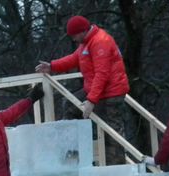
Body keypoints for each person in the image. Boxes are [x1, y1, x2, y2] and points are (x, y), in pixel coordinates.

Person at [35, 15, 130, 164]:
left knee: (111, 132)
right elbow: (74, 59)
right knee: (71, 107)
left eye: (74, 35)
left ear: (82, 31)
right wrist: (52, 66)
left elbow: (102, 74)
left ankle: (116, 168)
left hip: (111, 92)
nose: (73, 39)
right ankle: (73, 153)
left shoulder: (100, 42)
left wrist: (91, 100)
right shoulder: (86, 42)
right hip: (96, 89)